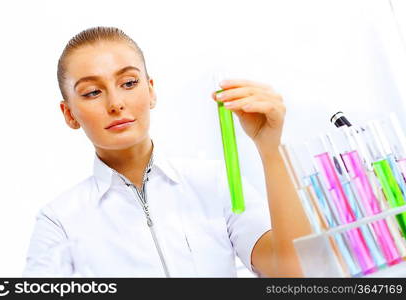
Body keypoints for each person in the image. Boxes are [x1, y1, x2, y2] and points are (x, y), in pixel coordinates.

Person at [23, 26, 311, 277]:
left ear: (151, 91)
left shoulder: (213, 182)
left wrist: (270, 149)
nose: (115, 103)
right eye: (92, 92)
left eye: (128, 83)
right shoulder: (58, 221)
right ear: (69, 113)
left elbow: (294, 275)